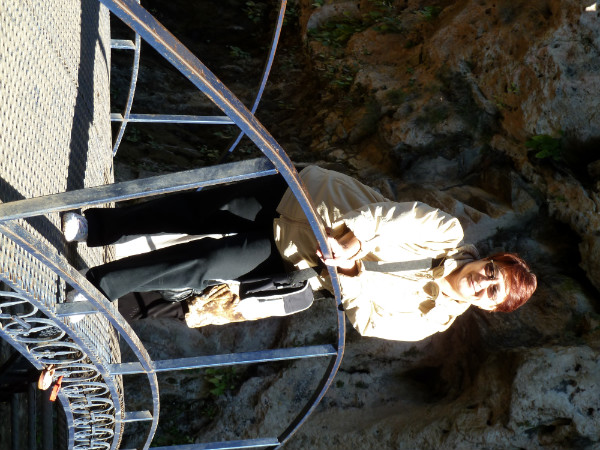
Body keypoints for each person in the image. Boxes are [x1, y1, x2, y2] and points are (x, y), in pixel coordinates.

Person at [63, 165, 537, 341]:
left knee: (205, 265)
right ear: (488, 259)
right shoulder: (448, 233)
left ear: (488, 307)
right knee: (194, 212)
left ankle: (98, 288)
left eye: (491, 292)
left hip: (296, 255)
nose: (483, 282)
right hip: (303, 197)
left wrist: (351, 277)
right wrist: (354, 237)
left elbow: (370, 322)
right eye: (491, 272)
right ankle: (97, 226)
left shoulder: (430, 321)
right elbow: (396, 216)